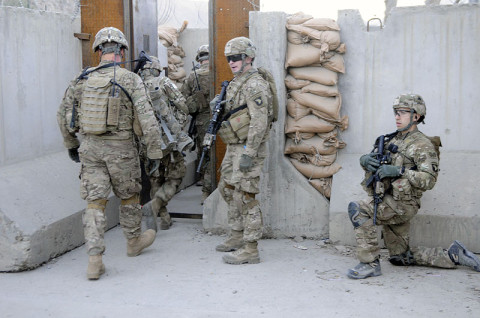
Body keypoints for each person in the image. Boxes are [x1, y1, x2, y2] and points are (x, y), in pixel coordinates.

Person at [57, 27, 165, 280]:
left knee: (94, 202)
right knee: (129, 197)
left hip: (90, 148)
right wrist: (155, 152)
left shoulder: (81, 79)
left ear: (98, 52)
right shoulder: (130, 79)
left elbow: (63, 117)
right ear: (122, 51)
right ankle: (133, 242)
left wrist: (71, 145)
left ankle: (95, 260)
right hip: (122, 149)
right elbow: (147, 118)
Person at [347, 93, 480, 279]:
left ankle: (369, 263)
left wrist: (400, 171)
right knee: (400, 257)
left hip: (402, 205)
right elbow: (376, 163)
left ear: (416, 116)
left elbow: (429, 180)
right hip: (388, 198)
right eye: (396, 112)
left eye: (402, 112)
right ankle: (453, 255)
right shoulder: (391, 140)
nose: (397, 117)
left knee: (358, 209)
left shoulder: (422, 145)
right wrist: (365, 160)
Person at [215, 37, 276, 265]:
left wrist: (249, 153)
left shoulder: (255, 84)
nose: (231, 62)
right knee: (227, 187)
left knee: (247, 196)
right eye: (229, 58)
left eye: (236, 58)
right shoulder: (236, 82)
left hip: (248, 147)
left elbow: (260, 121)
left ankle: (251, 248)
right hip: (234, 145)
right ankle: (237, 233)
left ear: (248, 57)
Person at [137, 56, 193, 231]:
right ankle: (156, 205)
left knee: (155, 178)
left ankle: (164, 218)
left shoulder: (135, 86)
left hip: (146, 143)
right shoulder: (163, 82)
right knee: (176, 175)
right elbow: (183, 105)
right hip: (168, 140)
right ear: (156, 69)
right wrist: (179, 123)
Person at [181, 44, 212, 203]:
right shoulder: (218, 72)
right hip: (220, 120)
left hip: (201, 120)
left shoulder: (193, 76)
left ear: (199, 59)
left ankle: (205, 186)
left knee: (204, 151)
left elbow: (182, 98)